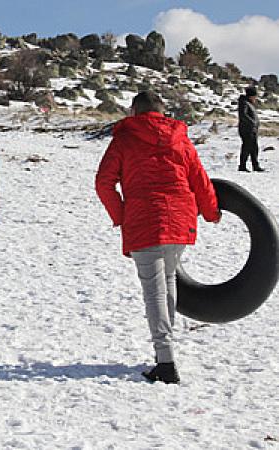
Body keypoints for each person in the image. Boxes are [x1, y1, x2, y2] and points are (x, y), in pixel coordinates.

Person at [95, 91, 221, 385]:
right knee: (168, 282)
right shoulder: (181, 139)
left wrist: (120, 215)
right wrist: (212, 212)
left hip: (144, 221)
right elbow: (199, 180)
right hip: (180, 220)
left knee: (155, 290)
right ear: (163, 112)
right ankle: (166, 352)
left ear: (134, 111)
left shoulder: (125, 139)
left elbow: (103, 182)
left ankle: (165, 361)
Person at [238, 87, 263, 172]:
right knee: (247, 147)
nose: (256, 98)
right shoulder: (244, 103)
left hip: (252, 129)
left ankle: (255, 166)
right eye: (255, 96)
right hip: (246, 129)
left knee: (254, 148)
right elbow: (243, 115)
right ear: (251, 96)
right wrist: (252, 123)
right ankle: (242, 166)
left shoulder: (249, 103)